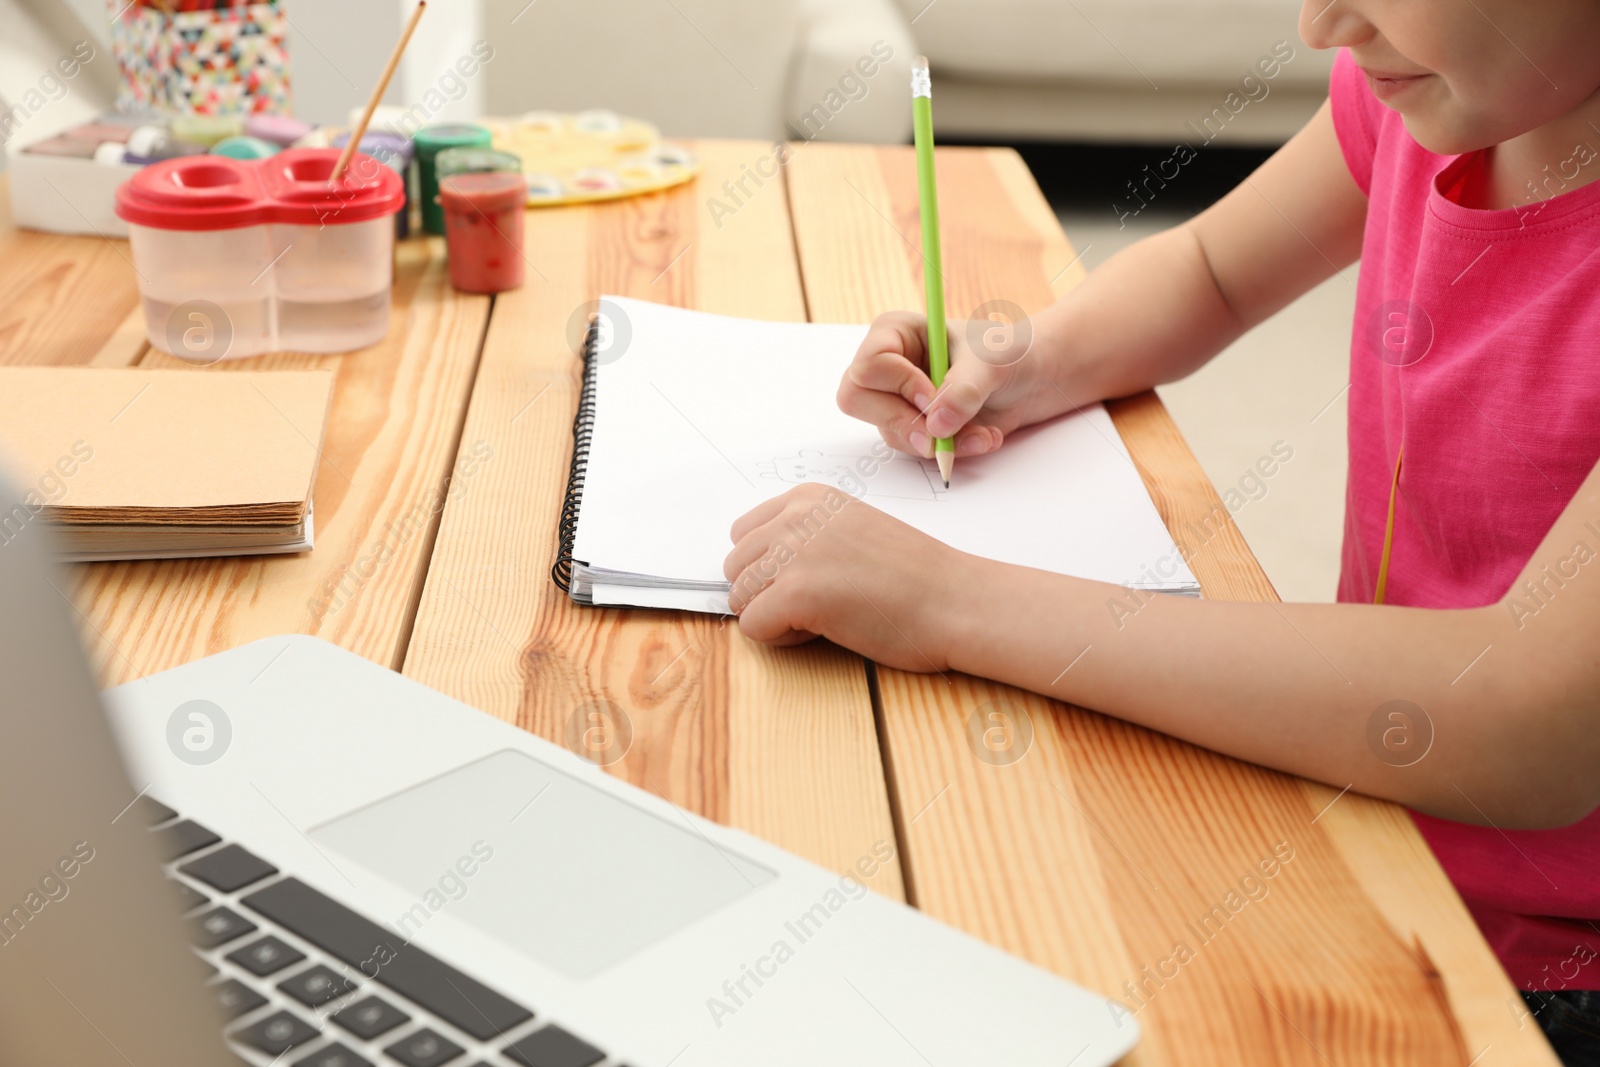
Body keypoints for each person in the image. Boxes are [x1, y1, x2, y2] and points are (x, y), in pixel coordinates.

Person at [722, 1, 1600, 1059]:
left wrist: (948, 598)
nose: (1321, 25)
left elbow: (1523, 716)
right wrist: (1018, 362)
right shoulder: (1425, 98)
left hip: (1547, 970)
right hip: (1382, 805)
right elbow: (1211, 273)